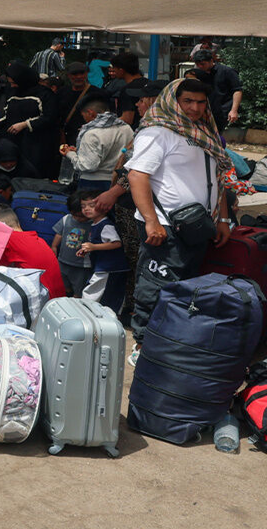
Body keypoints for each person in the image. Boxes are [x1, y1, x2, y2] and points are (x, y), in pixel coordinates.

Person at [126, 79, 232, 350]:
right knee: (156, 288)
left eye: (200, 102)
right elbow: (137, 176)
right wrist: (151, 221)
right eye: (188, 101)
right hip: (164, 226)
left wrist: (222, 218)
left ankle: (170, 345)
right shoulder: (157, 132)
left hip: (197, 227)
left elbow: (217, 178)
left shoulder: (203, 131)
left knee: (184, 289)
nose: (194, 108)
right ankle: (145, 347)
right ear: (174, 100)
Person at [0, 203, 66, 298]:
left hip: (41, 305)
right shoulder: (39, 240)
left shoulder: (6, 239)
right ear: (18, 223)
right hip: (57, 303)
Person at [59, 98, 133, 191]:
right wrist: (80, 151)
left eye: (84, 116)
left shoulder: (92, 133)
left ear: (91, 113)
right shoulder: (126, 128)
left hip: (93, 183)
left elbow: (88, 166)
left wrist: (70, 154)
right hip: (119, 183)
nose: (85, 120)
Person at [77, 193, 131, 316]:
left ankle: (83, 313)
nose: (86, 209)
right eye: (83, 206)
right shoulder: (95, 224)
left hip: (110, 267)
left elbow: (116, 243)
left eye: (91, 205)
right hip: (103, 266)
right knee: (104, 292)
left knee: (94, 291)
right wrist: (88, 249)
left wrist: (94, 247)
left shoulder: (106, 225)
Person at [52, 191, 94, 298]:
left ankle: (76, 301)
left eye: (82, 216)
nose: (79, 219)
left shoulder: (93, 224)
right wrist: (54, 246)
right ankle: (67, 295)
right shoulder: (66, 219)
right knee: (63, 283)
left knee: (79, 287)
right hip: (63, 260)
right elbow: (59, 234)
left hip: (81, 265)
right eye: (75, 215)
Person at [55, 61, 108, 146]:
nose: (79, 77)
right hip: (67, 138)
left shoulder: (98, 94)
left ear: (86, 74)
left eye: (82, 73)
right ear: (68, 75)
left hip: (90, 137)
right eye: (74, 74)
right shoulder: (61, 93)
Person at [192, 48, 243, 131]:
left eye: (202, 64)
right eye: (198, 64)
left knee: (216, 136)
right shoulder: (198, 74)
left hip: (222, 111)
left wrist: (234, 110)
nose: (200, 66)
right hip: (204, 111)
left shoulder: (227, 71)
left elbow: (237, 90)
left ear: (211, 60)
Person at [105, 51, 147, 126]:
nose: (113, 71)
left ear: (121, 70)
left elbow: (127, 119)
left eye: (114, 68)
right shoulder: (149, 84)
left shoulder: (127, 90)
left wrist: (106, 124)